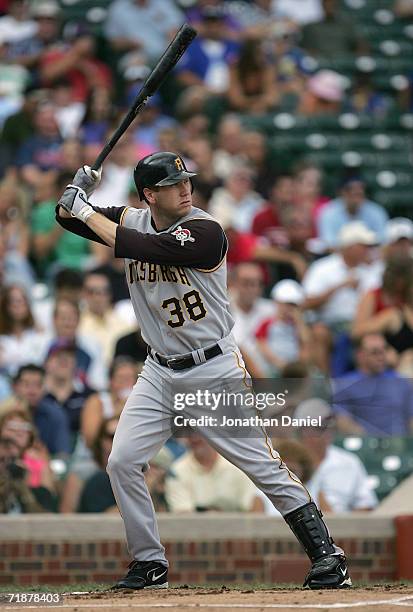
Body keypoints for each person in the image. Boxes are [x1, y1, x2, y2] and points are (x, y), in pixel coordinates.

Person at [55, 151, 351, 589]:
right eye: (173, 183)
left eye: (185, 180)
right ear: (150, 195)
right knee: (121, 461)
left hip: (212, 368)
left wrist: (82, 206)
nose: (185, 187)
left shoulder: (206, 230)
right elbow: (69, 219)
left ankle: (328, 556)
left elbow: (136, 246)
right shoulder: (134, 219)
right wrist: (76, 192)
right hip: (157, 370)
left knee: (261, 465)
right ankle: (149, 563)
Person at [302, 221, 378, 373]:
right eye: (363, 246)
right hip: (329, 325)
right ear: (350, 247)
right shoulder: (323, 268)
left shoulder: (371, 271)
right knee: (319, 333)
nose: (367, 250)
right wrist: (340, 286)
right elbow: (306, 303)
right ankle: (327, 385)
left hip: (360, 325)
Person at [293, 399, 378, 512]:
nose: (325, 433)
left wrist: (343, 526)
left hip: (342, 526)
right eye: (318, 428)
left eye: (327, 426)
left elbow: (366, 506)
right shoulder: (286, 462)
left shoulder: (349, 462)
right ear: (301, 431)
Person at [333, 333, 413, 436]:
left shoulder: (401, 382)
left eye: (384, 350)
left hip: (401, 445)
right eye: (375, 352)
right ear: (360, 355)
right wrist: (370, 442)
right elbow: (342, 421)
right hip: (365, 446)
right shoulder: (345, 384)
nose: (381, 357)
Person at [165, 434, 264, 512]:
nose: (194, 438)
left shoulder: (238, 465)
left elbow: (254, 505)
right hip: (197, 534)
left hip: (240, 533)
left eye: (199, 431)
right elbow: (183, 515)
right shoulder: (177, 470)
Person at [317, 177, 388, 249]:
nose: (356, 200)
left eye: (359, 194)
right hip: (338, 256)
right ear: (343, 193)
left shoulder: (376, 211)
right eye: (353, 194)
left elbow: (382, 240)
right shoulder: (329, 212)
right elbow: (328, 243)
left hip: (370, 256)